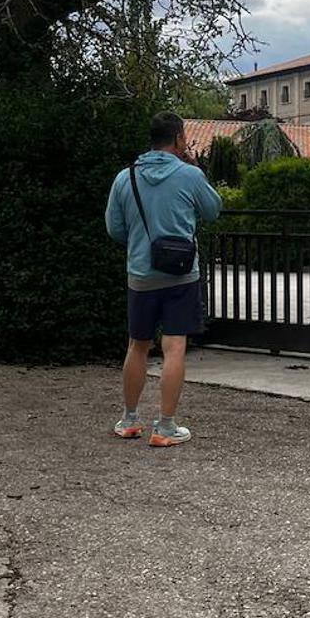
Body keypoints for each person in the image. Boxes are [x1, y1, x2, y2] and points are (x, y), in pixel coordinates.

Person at [105, 112, 222, 446]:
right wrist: (196, 168)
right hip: (181, 276)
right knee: (174, 348)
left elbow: (114, 228)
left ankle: (129, 420)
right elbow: (213, 210)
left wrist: (140, 244)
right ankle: (165, 427)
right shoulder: (189, 175)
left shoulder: (124, 177)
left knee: (137, 345)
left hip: (141, 274)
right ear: (180, 139)